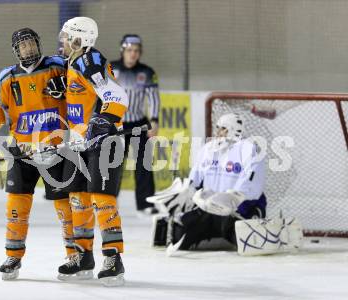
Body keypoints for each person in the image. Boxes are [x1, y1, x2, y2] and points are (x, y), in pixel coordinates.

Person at [0, 28, 71, 280]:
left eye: (31, 44)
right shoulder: (7, 77)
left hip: (57, 147)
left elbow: (82, 91)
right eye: (23, 46)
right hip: (23, 150)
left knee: (64, 206)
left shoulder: (59, 66)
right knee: (16, 205)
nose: (28, 49)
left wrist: (69, 86)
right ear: (16, 51)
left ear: (38, 44)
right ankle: (13, 256)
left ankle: (74, 254)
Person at [56, 16, 129, 286]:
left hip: (102, 142)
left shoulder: (89, 61)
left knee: (101, 198)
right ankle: (83, 254)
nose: (62, 42)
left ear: (79, 39)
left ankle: (113, 256)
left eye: (66, 37)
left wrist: (104, 121)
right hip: (78, 143)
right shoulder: (73, 63)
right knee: (77, 198)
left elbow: (117, 95)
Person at [149, 113, 267, 254]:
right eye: (218, 128)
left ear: (235, 129)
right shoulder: (207, 149)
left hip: (238, 210)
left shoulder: (248, 150)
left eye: (223, 128)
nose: (218, 132)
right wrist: (185, 194)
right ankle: (216, 234)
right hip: (209, 208)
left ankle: (232, 232)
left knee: (243, 241)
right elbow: (194, 182)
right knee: (180, 235)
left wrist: (233, 199)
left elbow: (253, 185)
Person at [111, 34, 160, 215]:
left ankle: (146, 203)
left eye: (136, 51)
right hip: (117, 124)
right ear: (123, 51)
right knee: (112, 164)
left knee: (144, 164)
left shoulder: (147, 72)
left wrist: (154, 121)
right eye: (130, 50)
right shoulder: (111, 69)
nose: (133, 54)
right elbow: (101, 95)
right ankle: (108, 201)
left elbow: (153, 98)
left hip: (139, 123)